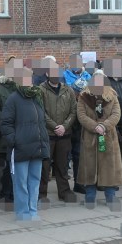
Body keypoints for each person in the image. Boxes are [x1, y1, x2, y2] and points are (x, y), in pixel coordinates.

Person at [0, 64, 50, 221]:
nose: (30, 80)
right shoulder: (13, 99)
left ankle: (32, 210)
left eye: (31, 77)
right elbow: (5, 123)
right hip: (20, 148)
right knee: (20, 182)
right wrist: (15, 140)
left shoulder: (36, 97)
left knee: (34, 180)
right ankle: (23, 213)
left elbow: (41, 120)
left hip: (37, 146)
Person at [76, 71, 122, 210]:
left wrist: (104, 125)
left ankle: (110, 195)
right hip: (90, 137)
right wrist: (95, 126)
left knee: (109, 166)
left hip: (108, 136)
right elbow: (81, 115)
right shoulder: (83, 97)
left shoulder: (112, 96)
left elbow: (116, 114)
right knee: (89, 166)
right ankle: (90, 195)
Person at [38, 57, 78, 203]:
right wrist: (54, 126)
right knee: (44, 166)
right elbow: (40, 111)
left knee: (62, 165)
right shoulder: (40, 90)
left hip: (64, 134)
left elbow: (74, 110)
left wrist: (64, 126)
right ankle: (41, 193)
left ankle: (65, 191)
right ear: (47, 74)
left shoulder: (69, 90)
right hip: (48, 134)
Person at [0, 59, 20, 205]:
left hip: (21, 133)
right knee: (8, 166)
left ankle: (15, 193)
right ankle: (6, 194)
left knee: (18, 165)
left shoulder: (22, 88)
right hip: (5, 134)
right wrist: (8, 116)